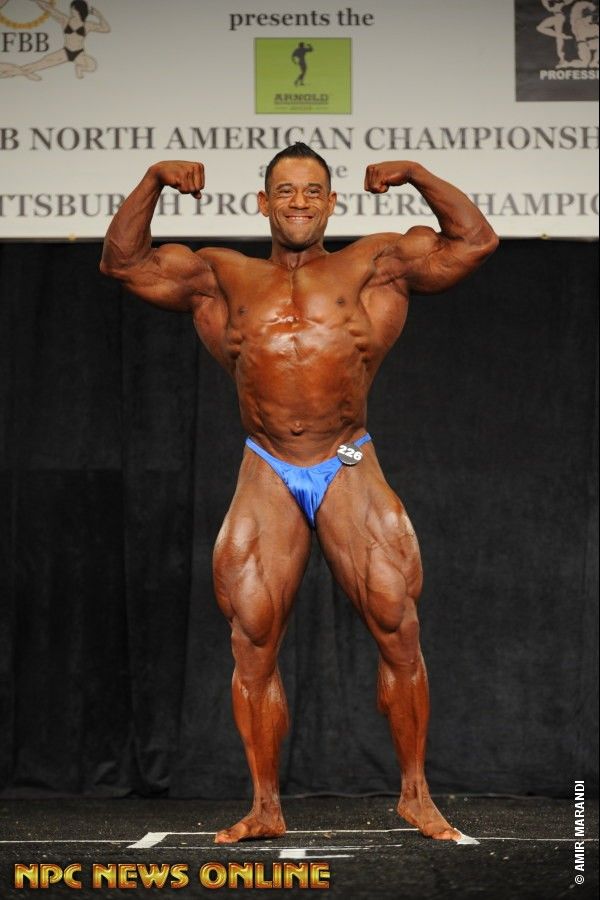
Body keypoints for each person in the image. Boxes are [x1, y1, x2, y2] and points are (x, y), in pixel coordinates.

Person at [100, 144, 498, 844]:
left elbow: (474, 242)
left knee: (397, 622)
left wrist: (416, 175)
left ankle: (416, 795)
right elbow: (123, 263)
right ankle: (265, 806)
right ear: (263, 202)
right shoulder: (221, 275)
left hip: (346, 457)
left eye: (313, 190)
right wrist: (154, 179)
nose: (300, 202)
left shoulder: (373, 264)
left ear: (332, 203)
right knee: (252, 637)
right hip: (267, 465)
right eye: (285, 191)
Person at [0, 1, 110, 81]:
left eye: (73, 9)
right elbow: (49, 9)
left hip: (79, 54)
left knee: (93, 66)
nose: (71, 11)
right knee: (38, 65)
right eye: (71, 9)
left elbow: (106, 29)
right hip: (65, 52)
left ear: (79, 10)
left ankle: (79, 68)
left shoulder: (87, 25)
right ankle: (13, 73)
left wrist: (99, 15)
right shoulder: (65, 20)